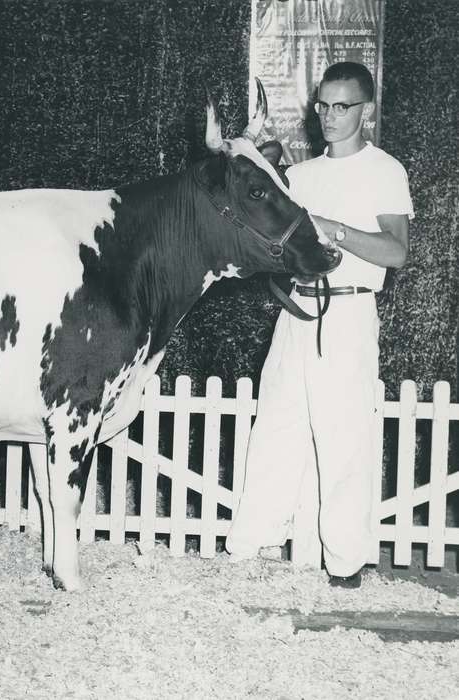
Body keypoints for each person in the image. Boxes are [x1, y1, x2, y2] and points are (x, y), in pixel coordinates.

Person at [225, 62, 414, 588]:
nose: (329, 117)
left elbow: (396, 251)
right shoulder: (302, 177)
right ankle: (248, 548)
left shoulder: (385, 171)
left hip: (350, 313)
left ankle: (346, 564)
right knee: (277, 426)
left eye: (342, 107)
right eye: (323, 106)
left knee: (343, 437)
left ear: (366, 111)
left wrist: (333, 229)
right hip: (297, 311)